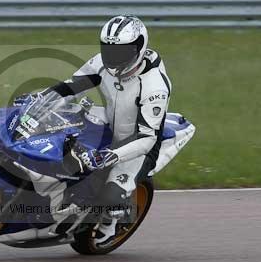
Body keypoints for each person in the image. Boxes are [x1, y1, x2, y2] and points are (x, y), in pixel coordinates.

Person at [19, 15, 172, 246]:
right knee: (59, 137)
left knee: (110, 197)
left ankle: (111, 223)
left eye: (119, 52)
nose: (112, 57)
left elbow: (147, 138)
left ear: (139, 48)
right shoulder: (102, 63)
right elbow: (73, 86)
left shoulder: (154, 86)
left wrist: (112, 155)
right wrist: (43, 99)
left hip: (138, 143)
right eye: (108, 49)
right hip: (109, 122)